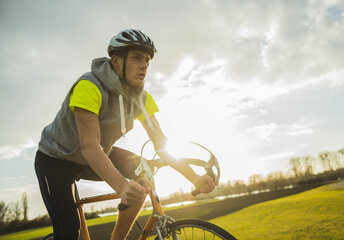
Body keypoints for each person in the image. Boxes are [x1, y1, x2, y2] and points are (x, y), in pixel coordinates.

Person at [34, 29, 216, 240]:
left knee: (143, 175)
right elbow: (89, 146)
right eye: (137, 57)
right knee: (68, 229)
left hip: (98, 154)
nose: (144, 65)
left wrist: (194, 177)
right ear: (116, 61)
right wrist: (122, 186)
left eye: (147, 60)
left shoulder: (142, 98)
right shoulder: (89, 86)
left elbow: (161, 144)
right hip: (55, 160)